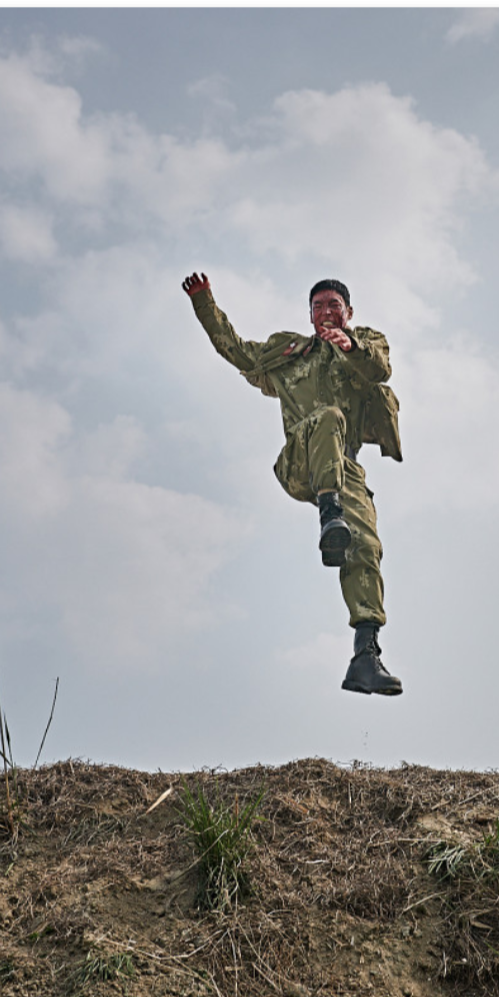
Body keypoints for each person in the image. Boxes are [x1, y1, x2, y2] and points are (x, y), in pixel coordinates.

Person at [181, 271, 403, 695]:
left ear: (349, 313)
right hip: (300, 459)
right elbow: (237, 351)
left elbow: (380, 367)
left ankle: (365, 657)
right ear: (309, 315)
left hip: (345, 467)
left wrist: (351, 346)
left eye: (333, 306)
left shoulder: (365, 343)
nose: (325, 313)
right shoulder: (292, 353)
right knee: (327, 418)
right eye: (318, 307)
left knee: (367, 547)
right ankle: (329, 513)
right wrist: (204, 302)